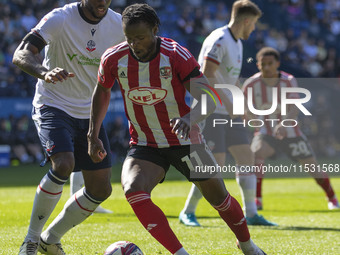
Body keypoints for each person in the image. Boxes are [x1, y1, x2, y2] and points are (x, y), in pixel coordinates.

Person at [88, 3, 266, 255]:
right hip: (145, 144)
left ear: (155, 29)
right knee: (133, 189)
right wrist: (92, 134)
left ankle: (247, 244)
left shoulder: (176, 55)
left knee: (219, 198)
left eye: (140, 37)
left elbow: (208, 98)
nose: (135, 44)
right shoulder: (114, 58)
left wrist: (189, 118)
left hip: (184, 139)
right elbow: (102, 90)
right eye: (129, 38)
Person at [12, 1, 124, 254]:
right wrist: (44, 72)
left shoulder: (118, 24)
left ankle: (49, 239)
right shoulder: (60, 18)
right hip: (53, 104)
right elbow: (21, 54)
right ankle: (30, 239)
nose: (103, 2)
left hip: (90, 113)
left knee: (101, 189)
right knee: (63, 164)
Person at [178, 0, 276, 227]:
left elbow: (229, 79)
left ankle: (251, 213)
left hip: (228, 111)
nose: (253, 30)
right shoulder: (219, 40)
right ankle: (188, 212)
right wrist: (228, 103)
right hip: (210, 110)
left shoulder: (237, 43)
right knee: (215, 164)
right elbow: (207, 74)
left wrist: (241, 107)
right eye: (254, 25)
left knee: (245, 157)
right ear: (246, 21)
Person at [241, 46, 339, 211]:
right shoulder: (251, 84)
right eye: (262, 64)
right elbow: (243, 107)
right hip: (266, 132)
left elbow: (294, 107)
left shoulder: (288, 80)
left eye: (270, 63)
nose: (266, 67)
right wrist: (252, 120)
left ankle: (332, 198)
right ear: (257, 64)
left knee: (312, 167)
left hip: (291, 132)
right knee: (256, 152)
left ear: (277, 63)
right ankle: (257, 199)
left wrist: (284, 124)